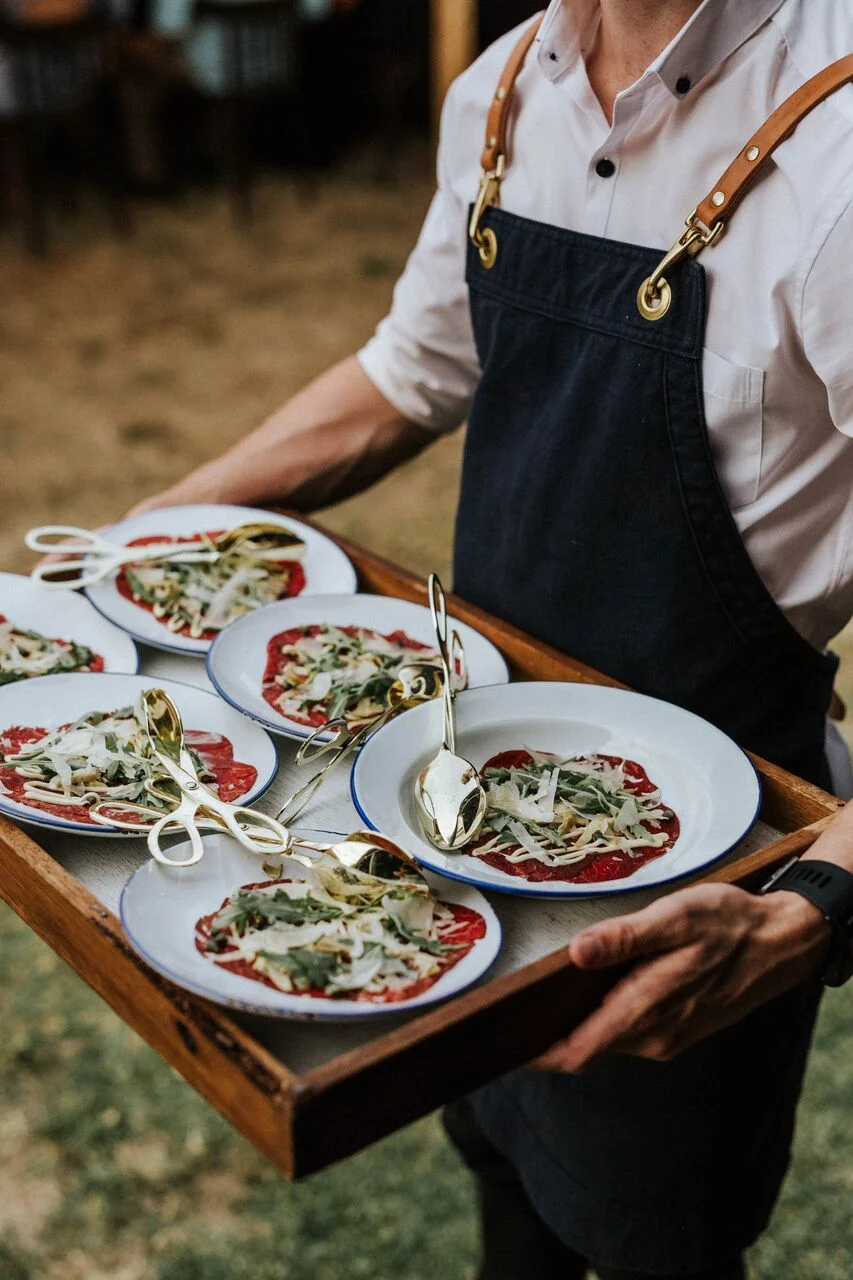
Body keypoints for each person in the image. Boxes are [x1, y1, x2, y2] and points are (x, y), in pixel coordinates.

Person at [131, 2, 853, 1276]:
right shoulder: (505, 85)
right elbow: (412, 368)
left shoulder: (837, 140)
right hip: (457, 806)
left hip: (695, 868)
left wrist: (817, 900)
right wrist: (163, 522)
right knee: (503, 1160)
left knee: (652, 1223)